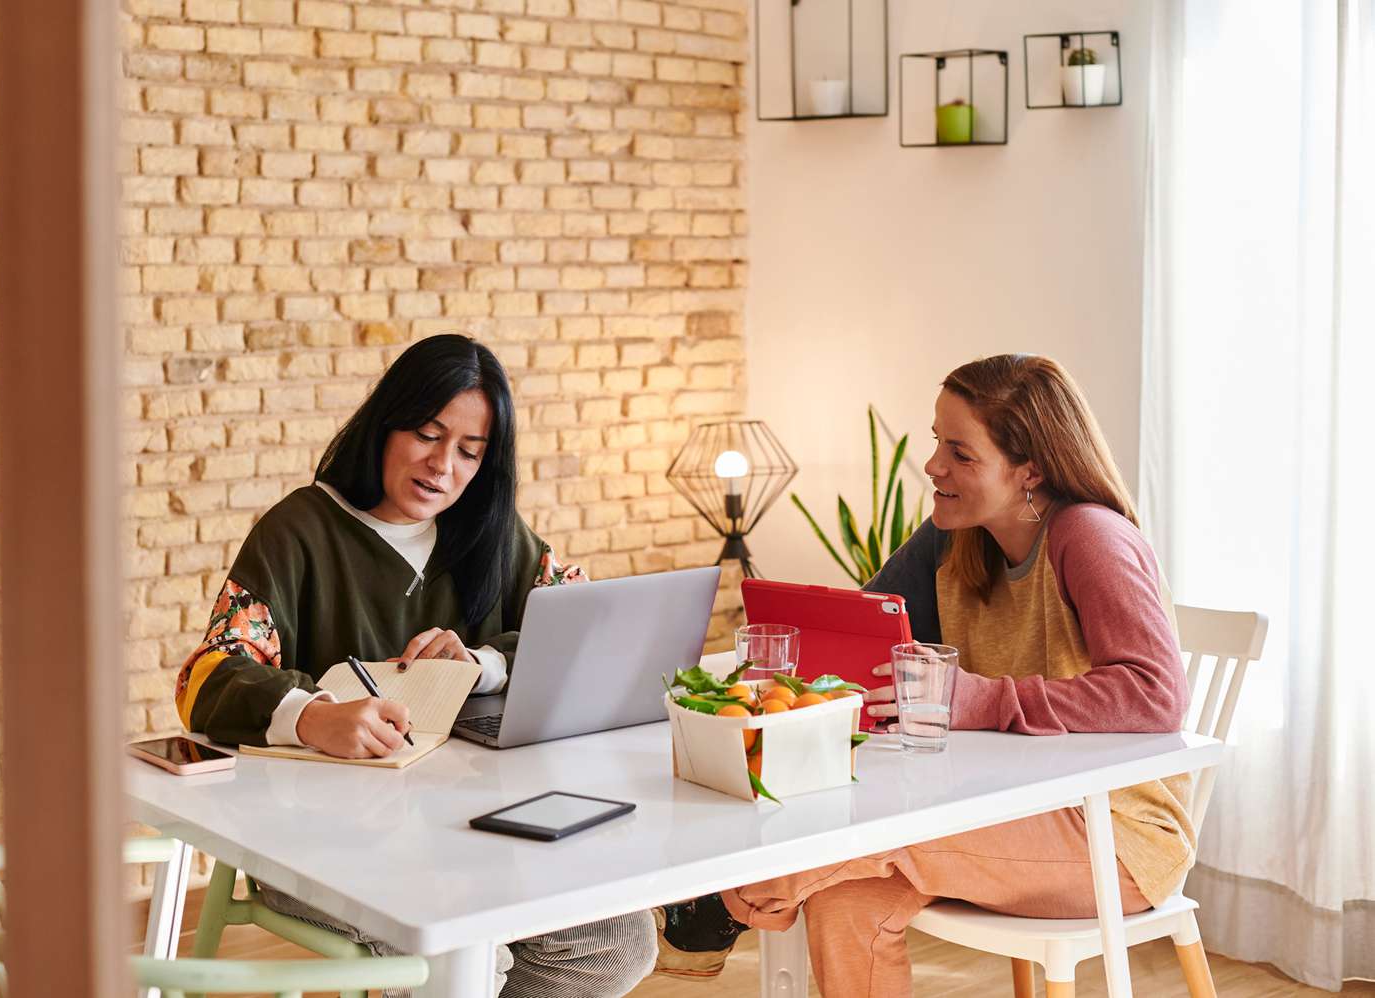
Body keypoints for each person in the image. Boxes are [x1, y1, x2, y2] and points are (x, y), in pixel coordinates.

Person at [683, 354, 1194, 996]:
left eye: (960, 452)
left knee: (839, 848)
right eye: (936, 443)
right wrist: (746, 679)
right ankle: (721, 898)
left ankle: (706, 900)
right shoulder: (956, 537)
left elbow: (1155, 694)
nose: (932, 467)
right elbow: (855, 636)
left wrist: (978, 699)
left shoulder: (1089, 537)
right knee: (848, 899)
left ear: (1030, 468)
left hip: (1114, 839)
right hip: (1003, 806)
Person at [173, 333, 654, 998]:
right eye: (427, 435)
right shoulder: (300, 531)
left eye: (469, 452)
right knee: (466, 956)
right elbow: (209, 677)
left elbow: (585, 626)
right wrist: (312, 718)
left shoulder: (491, 532)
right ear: (385, 425)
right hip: (326, 841)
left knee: (618, 940)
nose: (443, 467)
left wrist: (483, 662)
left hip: (482, 827)